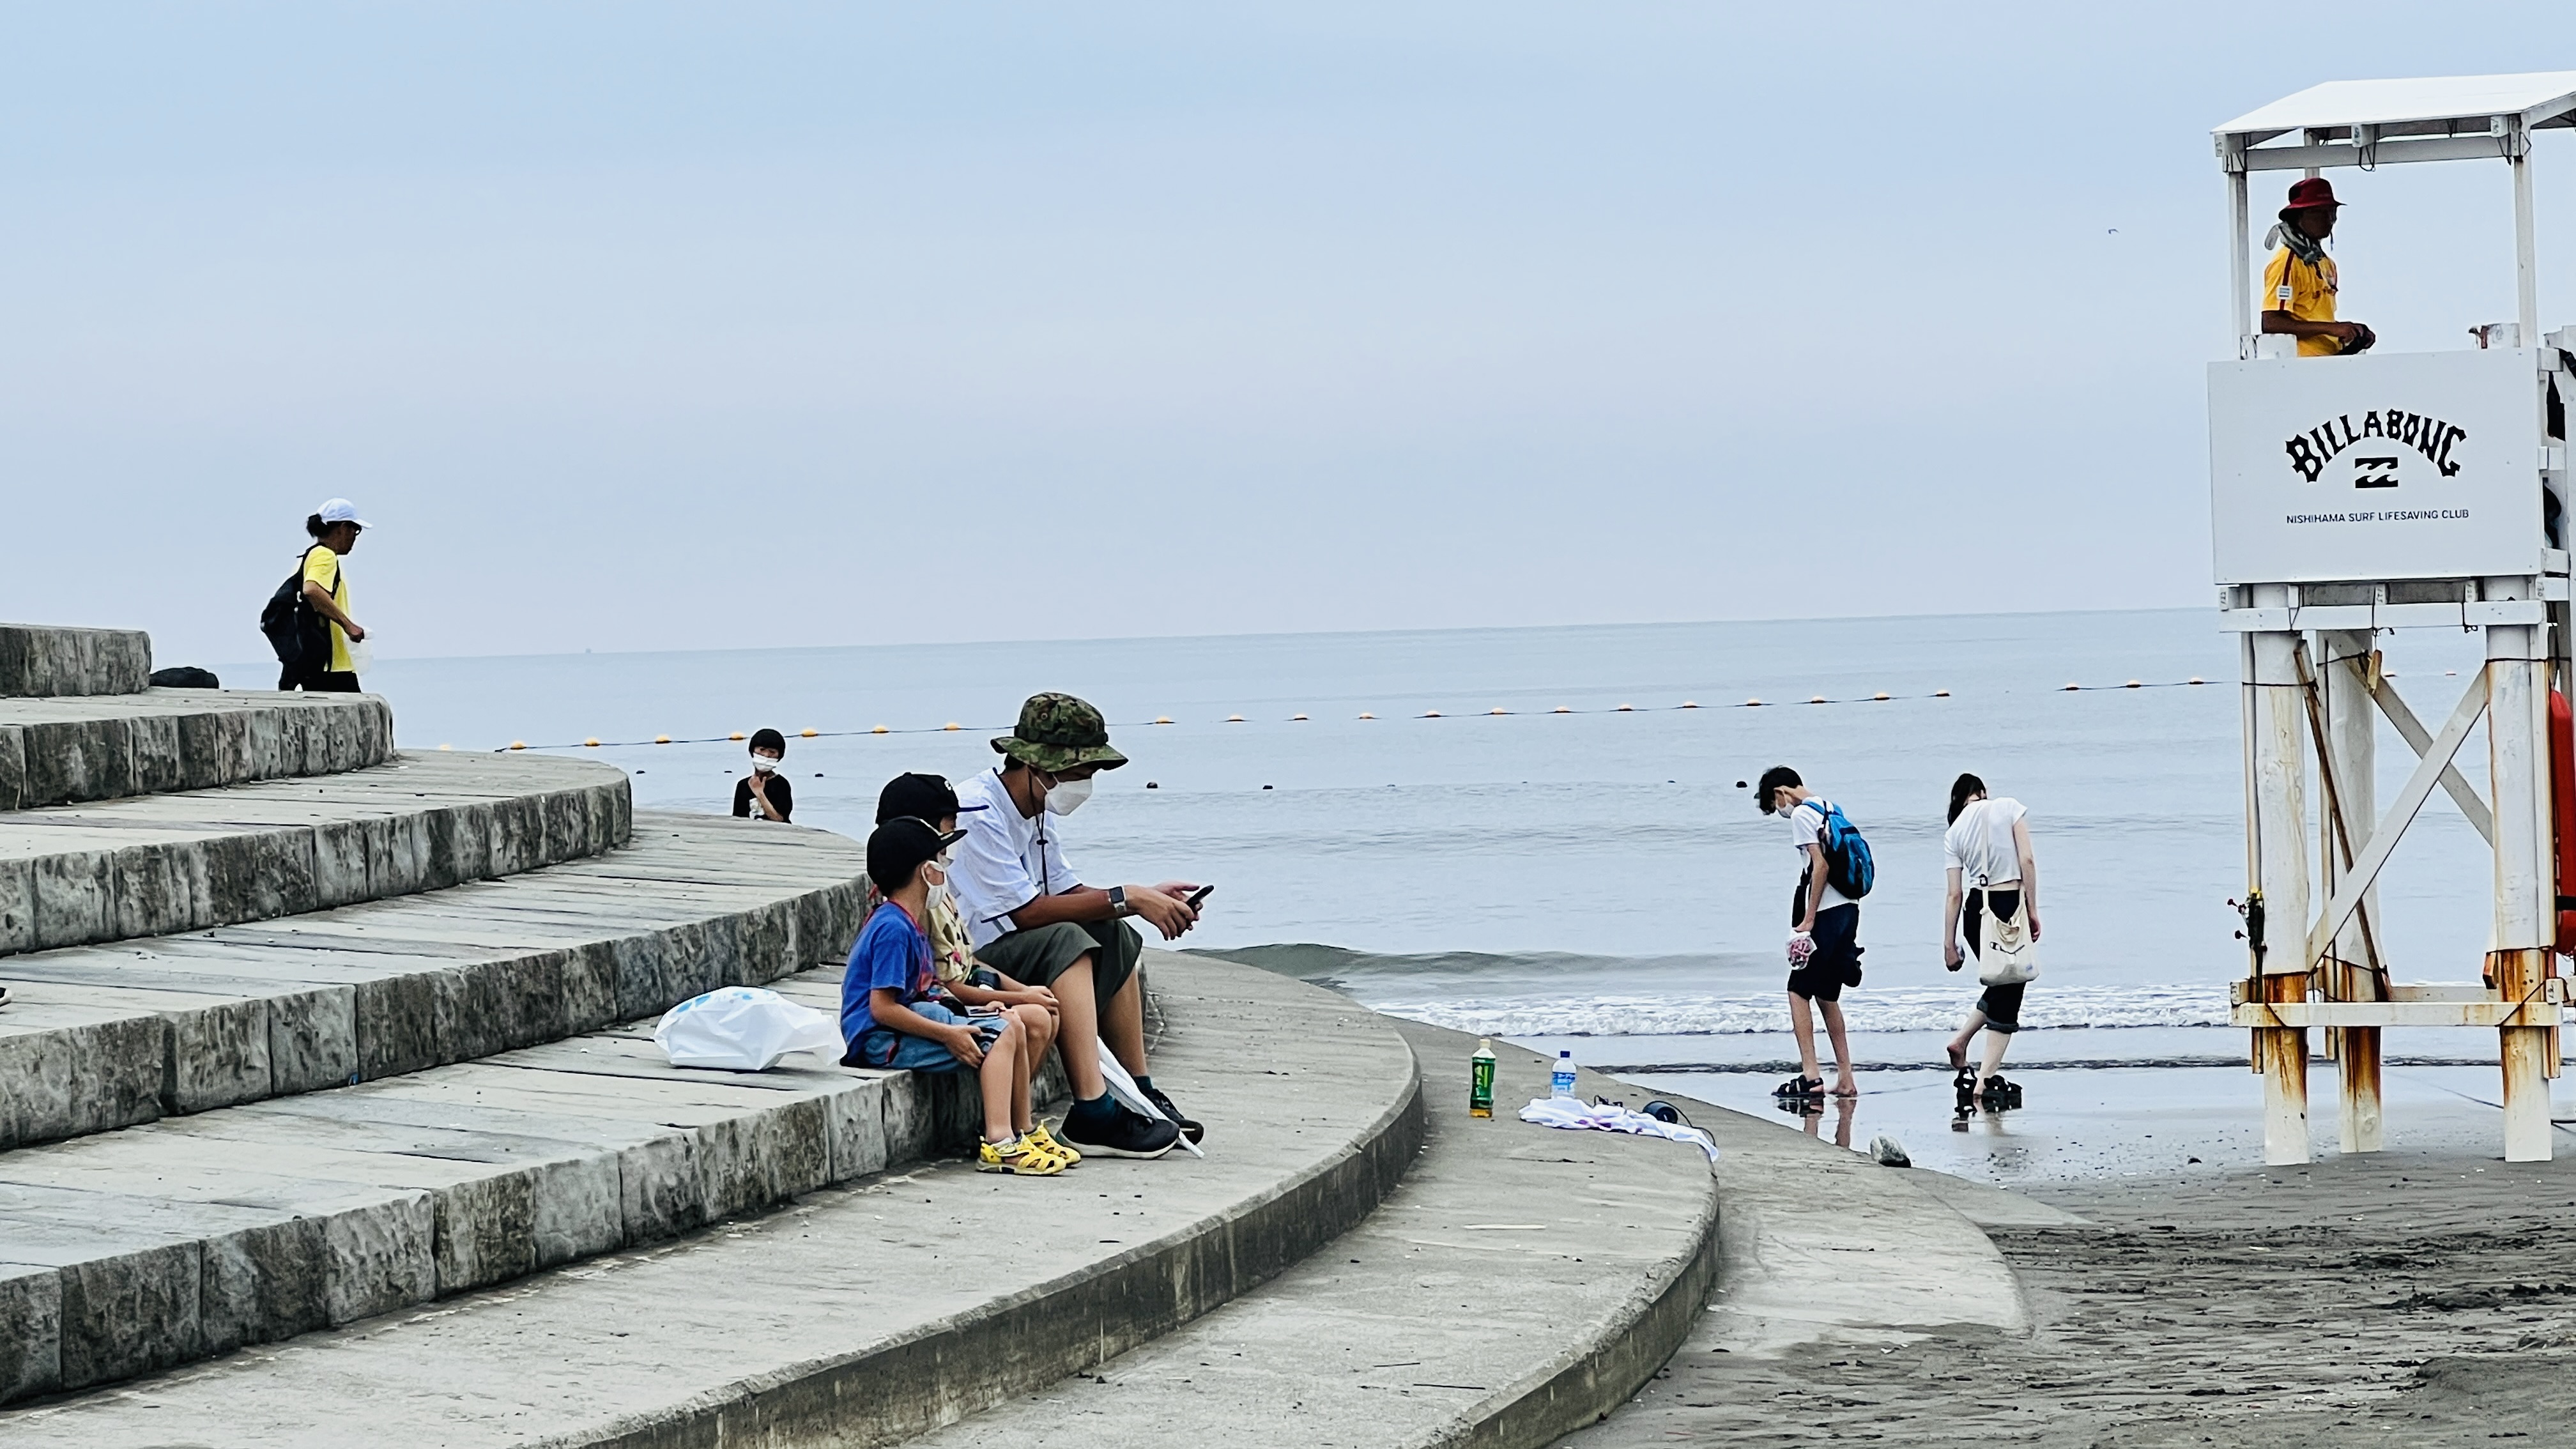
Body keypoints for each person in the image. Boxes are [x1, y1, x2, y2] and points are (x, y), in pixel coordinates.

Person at [948, 693, 1200, 1160]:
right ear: (1037, 766)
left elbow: (1067, 892)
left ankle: (1138, 1091)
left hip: (1013, 945)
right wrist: (1128, 897)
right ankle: (1093, 1110)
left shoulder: (1035, 809)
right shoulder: (978, 810)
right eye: (1078, 772)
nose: (1084, 784)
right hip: (972, 962)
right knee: (1069, 939)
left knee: (1114, 930)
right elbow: (1026, 913)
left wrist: (1144, 898)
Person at [867, 771, 1077, 1165]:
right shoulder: (902, 919)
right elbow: (905, 997)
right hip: (901, 1025)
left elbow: (961, 964)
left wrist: (1017, 992)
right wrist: (967, 1021)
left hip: (939, 1000)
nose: (952, 845)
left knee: (1033, 1014)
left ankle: (1017, 1128)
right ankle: (1000, 1136)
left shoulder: (929, 900)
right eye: (948, 830)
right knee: (1013, 1025)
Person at [1757, 765, 1860, 1101]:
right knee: (1827, 995)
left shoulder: (1802, 814)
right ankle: (1845, 1078)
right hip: (1849, 910)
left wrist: (1808, 919)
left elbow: (1821, 866)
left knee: (1798, 990)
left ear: (1781, 793)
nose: (1780, 811)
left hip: (1827, 914)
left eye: (1775, 805)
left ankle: (1811, 1075)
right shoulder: (1829, 807)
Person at [1941, 774, 2041, 1108]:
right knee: (2012, 988)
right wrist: (2033, 909)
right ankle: (1984, 1082)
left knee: (2002, 984)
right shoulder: (2008, 808)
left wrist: (1949, 944)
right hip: (2008, 904)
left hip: (1976, 911)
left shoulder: (1954, 832)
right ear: (1982, 792)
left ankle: (1961, 1042)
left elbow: (1954, 894)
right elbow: (2027, 861)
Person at [2260, 177, 2375, 358]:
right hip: (2304, 364)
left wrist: (2351, 331)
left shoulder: (2327, 264)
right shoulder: (2287, 262)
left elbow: (2315, 319)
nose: (2329, 219)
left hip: (2327, 360)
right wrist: (2333, 329)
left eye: (2332, 212)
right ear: (2298, 216)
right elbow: (2271, 323)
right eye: (2318, 212)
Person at [282, 500, 369, 693]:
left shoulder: (311, 555)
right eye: (355, 530)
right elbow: (311, 589)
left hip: (318, 662)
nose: (355, 538)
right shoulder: (325, 556)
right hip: (332, 665)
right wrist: (348, 625)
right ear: (343, 528)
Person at [732, 729, 793, 822]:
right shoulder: (743, 785)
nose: (766, 755)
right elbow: (737, 819)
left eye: (772, 752)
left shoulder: (781, 784)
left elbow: (779, 819)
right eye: (762, 750)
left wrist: (760, 794)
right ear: (753, 751)